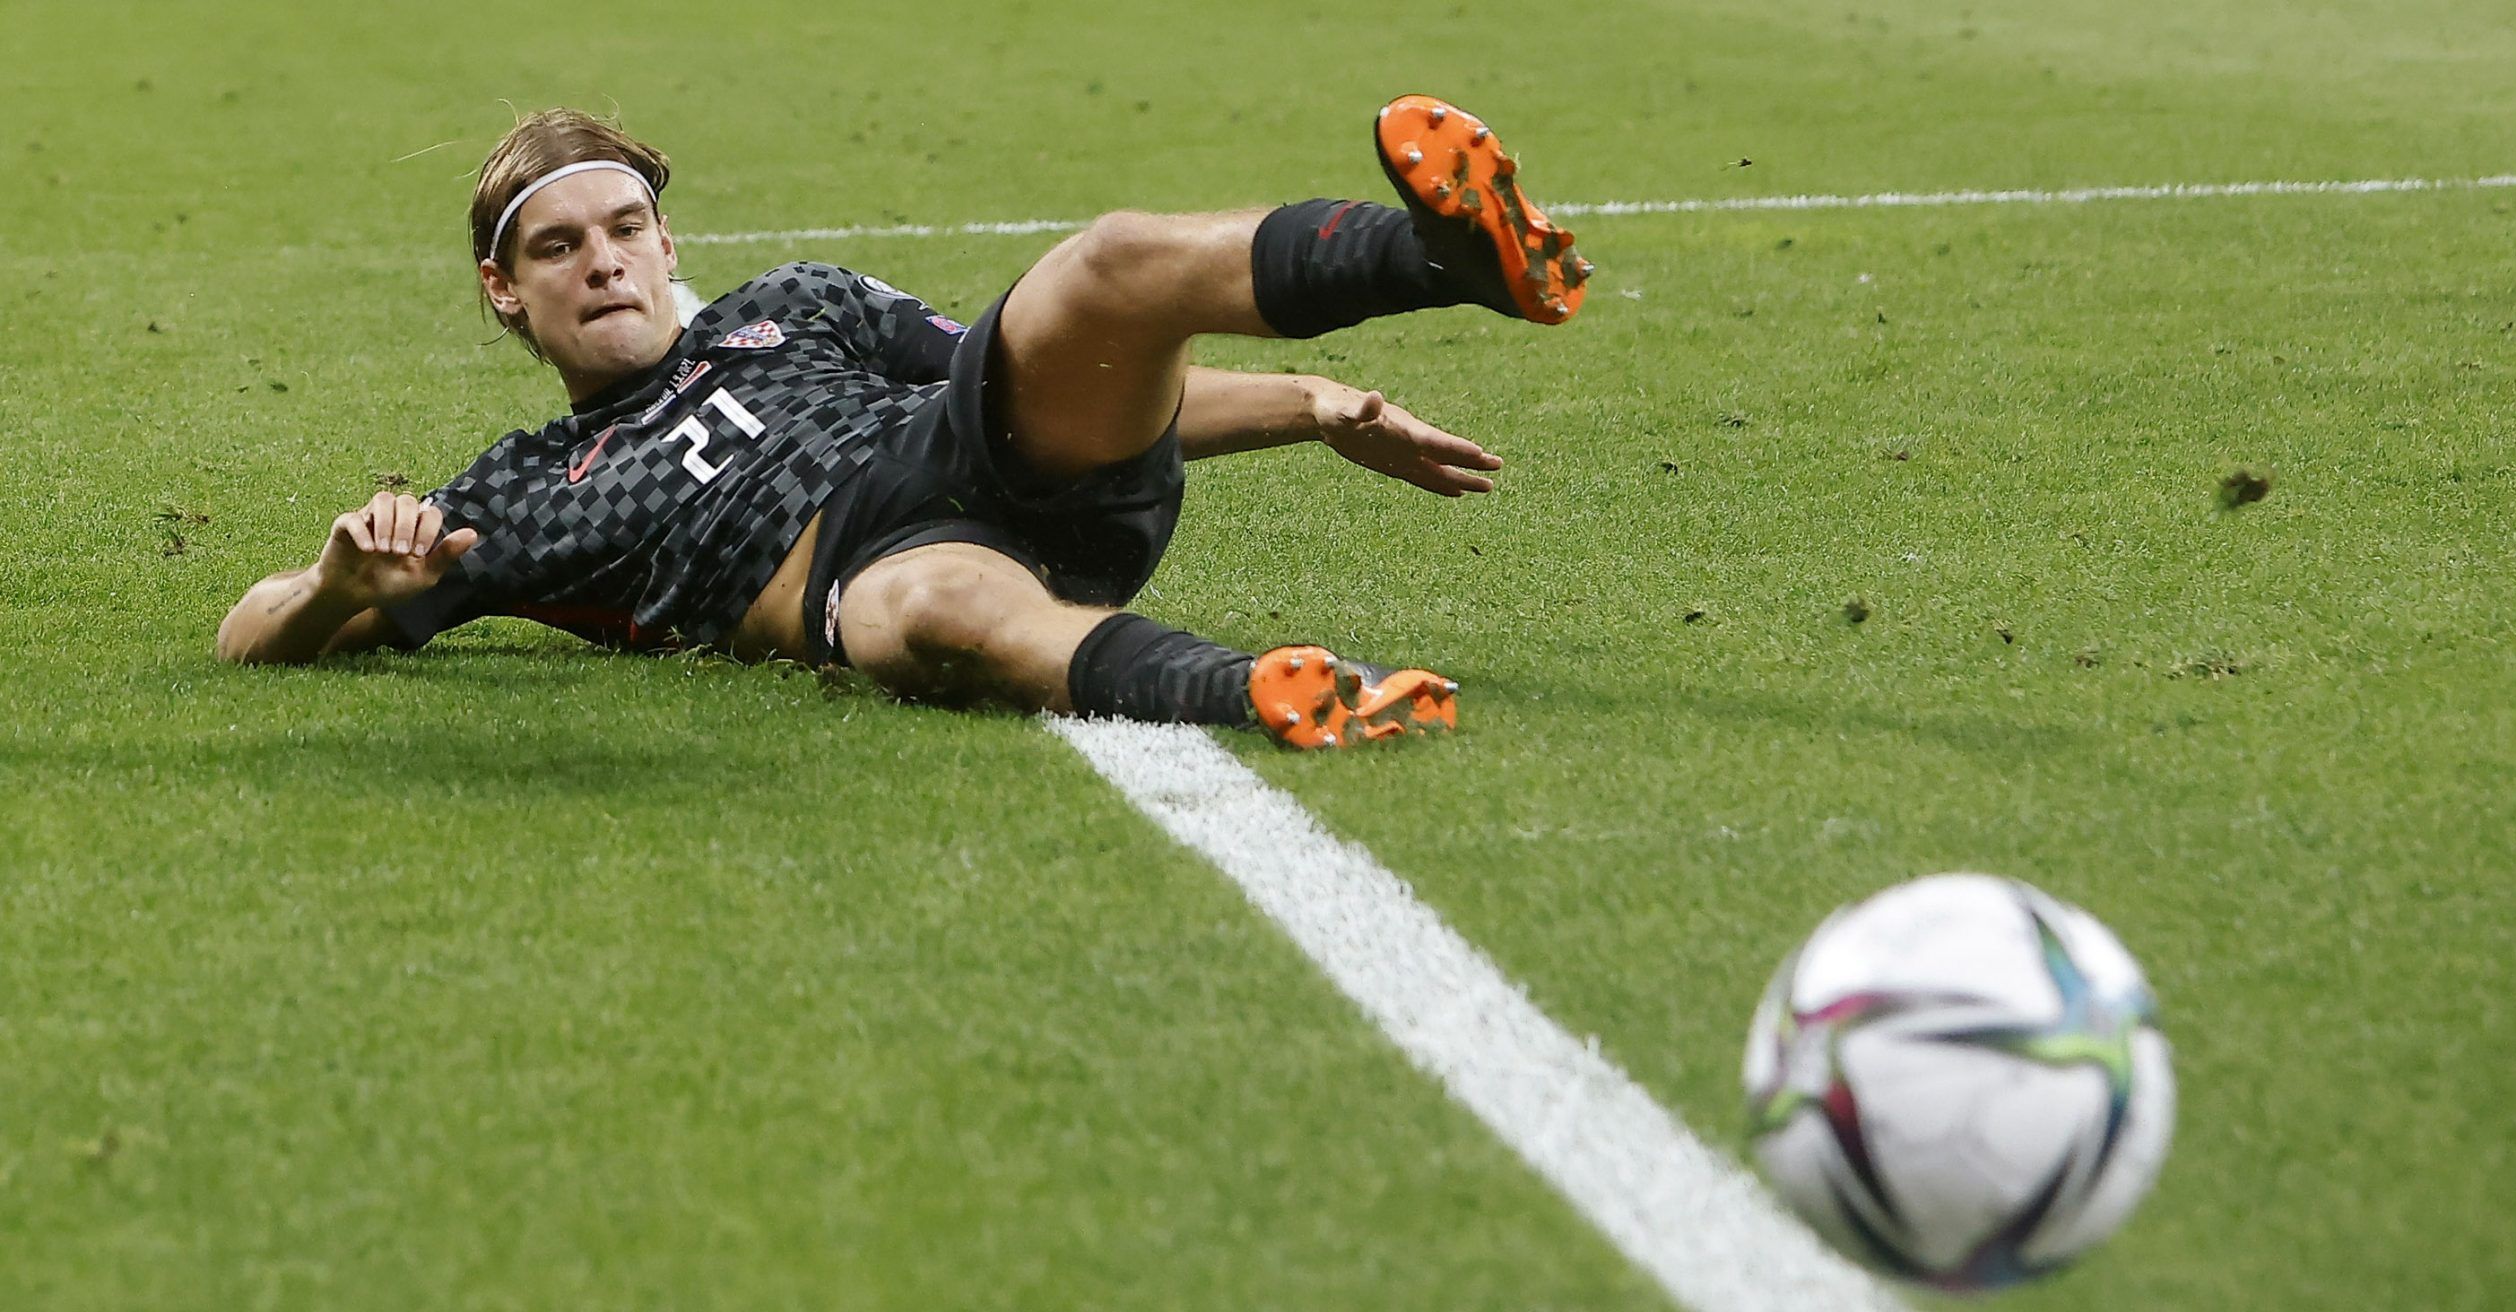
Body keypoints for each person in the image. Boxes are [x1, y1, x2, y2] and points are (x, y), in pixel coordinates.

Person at [216, 96, 1592, 748]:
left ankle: (1452, 258)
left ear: (666, 239)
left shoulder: (796, 304)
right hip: (871, 568)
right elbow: (249, 635)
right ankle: (1271, 693)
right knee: (931, 609)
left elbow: (1041, 373)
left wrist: (1317, 402)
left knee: (1110, 265)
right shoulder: (528, 491)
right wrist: (335, 584)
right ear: (504, 291)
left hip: (980, 453)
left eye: (625, 228)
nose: (605, 262)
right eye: (559, 247)